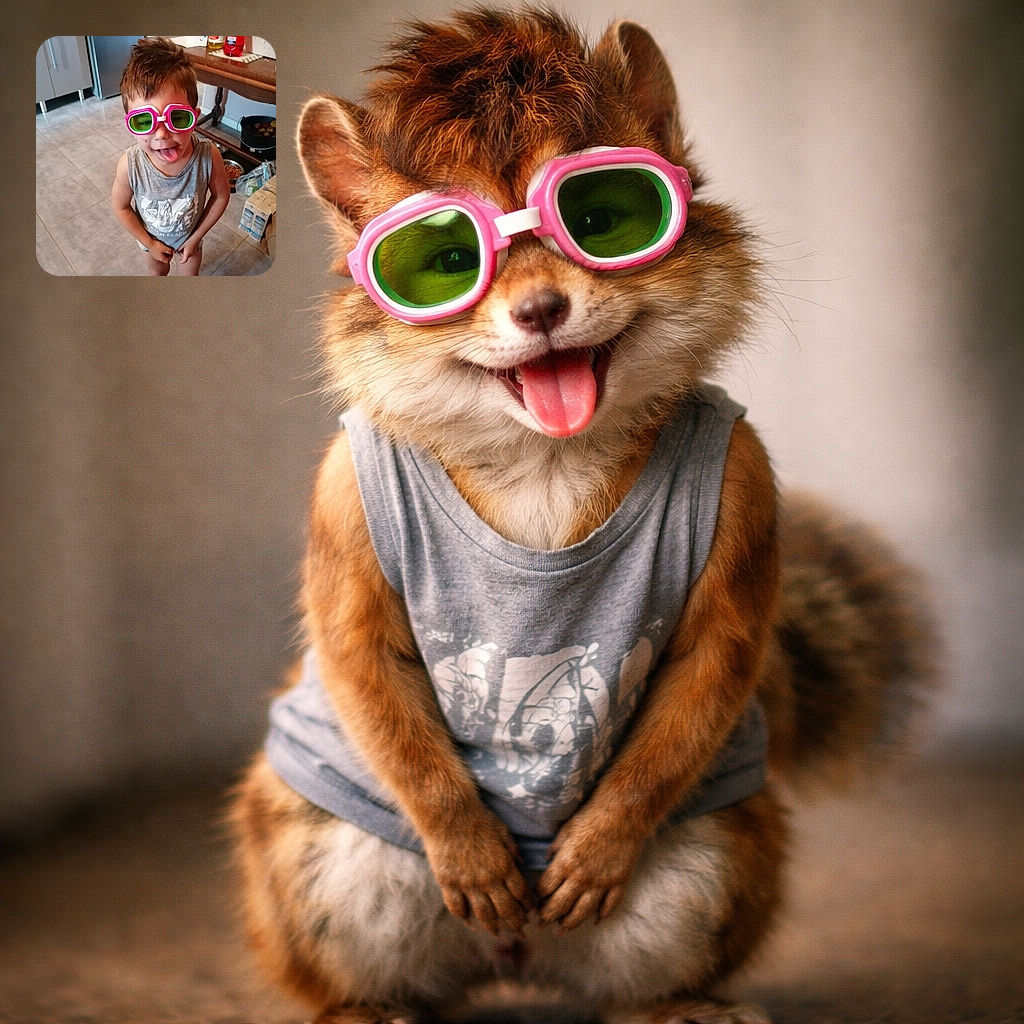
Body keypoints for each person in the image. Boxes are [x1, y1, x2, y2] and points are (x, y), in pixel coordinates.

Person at [111, 38, 230, 276]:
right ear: (130, 125)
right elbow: (121, 206)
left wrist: (196, 238)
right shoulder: (130, 165)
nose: (162, 134)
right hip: (151, 244)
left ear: (195, 117)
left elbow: (221, 196)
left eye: (177, 118)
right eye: (145, 122)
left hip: (191, 241)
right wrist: (150, 243)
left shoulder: (209, 156)